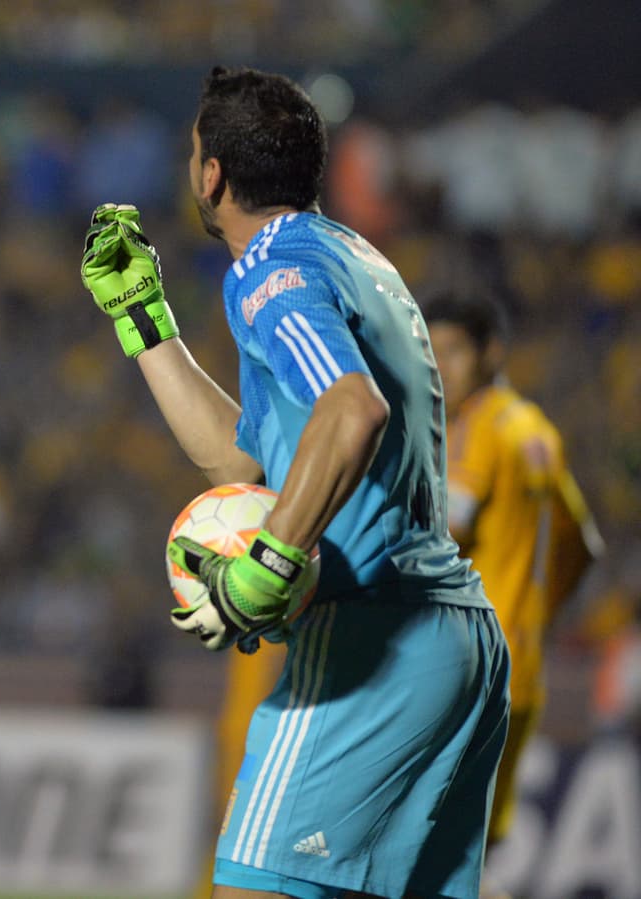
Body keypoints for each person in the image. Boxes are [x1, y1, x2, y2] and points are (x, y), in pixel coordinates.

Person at [80, 67, 510, 899]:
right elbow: (244, 467)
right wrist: (145, 324)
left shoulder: (271, 268)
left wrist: (269, 562)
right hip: (454, 638)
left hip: (370, 642)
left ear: (212, 175)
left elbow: (353, 408)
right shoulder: (353, 258)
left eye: (194, 154)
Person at [423, 289, 603, 857]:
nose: (440, 367)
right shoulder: (537, 432)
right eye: (431, 351)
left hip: (465, 672)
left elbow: (443, 532)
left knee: (421, 854)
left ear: (492, 353)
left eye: (453, 351)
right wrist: (533, 618)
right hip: (520, 669)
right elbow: (583, 544)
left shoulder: (478, 428)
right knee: (467, 857)